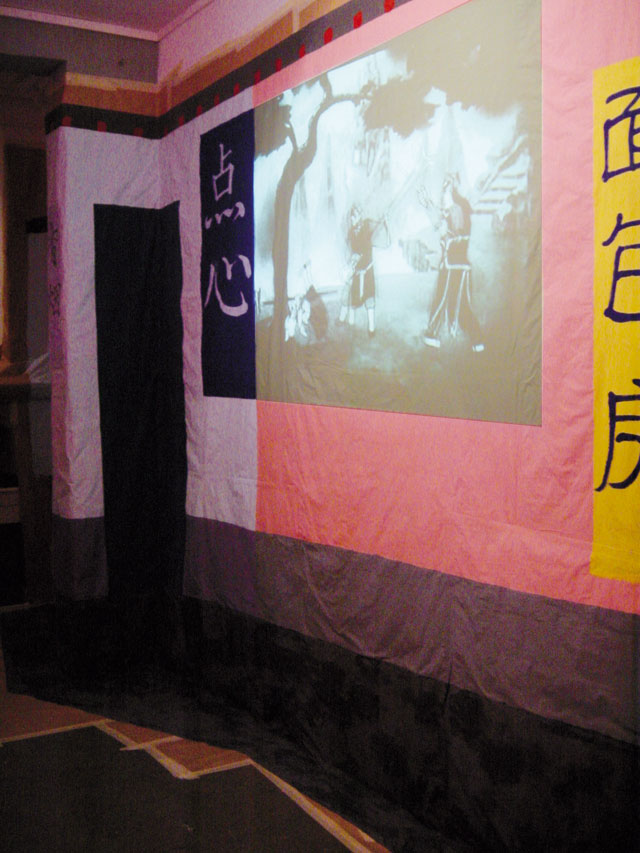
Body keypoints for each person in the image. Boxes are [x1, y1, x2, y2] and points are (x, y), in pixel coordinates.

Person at [422, 175, 484, 352]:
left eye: (445, 190)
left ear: (451, 191)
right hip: (459, 266)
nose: (442, 194)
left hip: (452, 265)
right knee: (461, 304)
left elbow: (448, 230)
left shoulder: (457, 210)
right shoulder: (455, 209)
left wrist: (445, 232)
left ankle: (432, 334)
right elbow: (441, 219)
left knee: (442, 299)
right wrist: (427, 203)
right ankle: (477, 340)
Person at [338, 205, 387, 337]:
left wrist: (383, 220)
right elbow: (349, 250)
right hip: (356, 271)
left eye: (355, 215)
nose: (353, 219)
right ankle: (350, 325)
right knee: (353, 299)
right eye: (352, 216)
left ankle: (371, 329)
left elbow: (379, 230)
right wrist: (351, 262)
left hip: (367, 271)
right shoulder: (351, 232)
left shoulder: (368, 225)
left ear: (360, 215)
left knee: (369, 300)